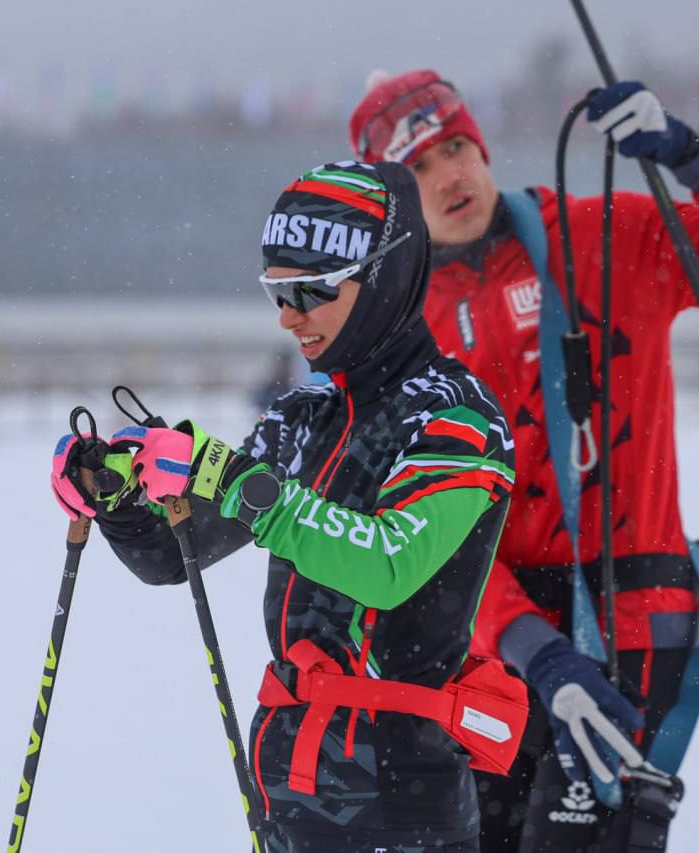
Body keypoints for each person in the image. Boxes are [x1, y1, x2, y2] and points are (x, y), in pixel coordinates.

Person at [347, 71, 699, 852]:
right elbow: (427, 538)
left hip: (633, 617)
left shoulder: (610, 234)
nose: (447, 177)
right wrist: (533, 649)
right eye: (417, 169)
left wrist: (693, 154)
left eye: (456, 148)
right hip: (496, 646)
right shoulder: (400, 335)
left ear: (482, 147)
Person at [51, 160, 530, 852]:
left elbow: (388, 565)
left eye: (310, 290)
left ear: (381, 276)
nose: (287, 316)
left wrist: (233, 477)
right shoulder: (304, 415)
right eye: (276, 291)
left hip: (402, 809)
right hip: (289, 799)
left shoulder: (456, 417)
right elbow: (176, 554)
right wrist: (117, 498)